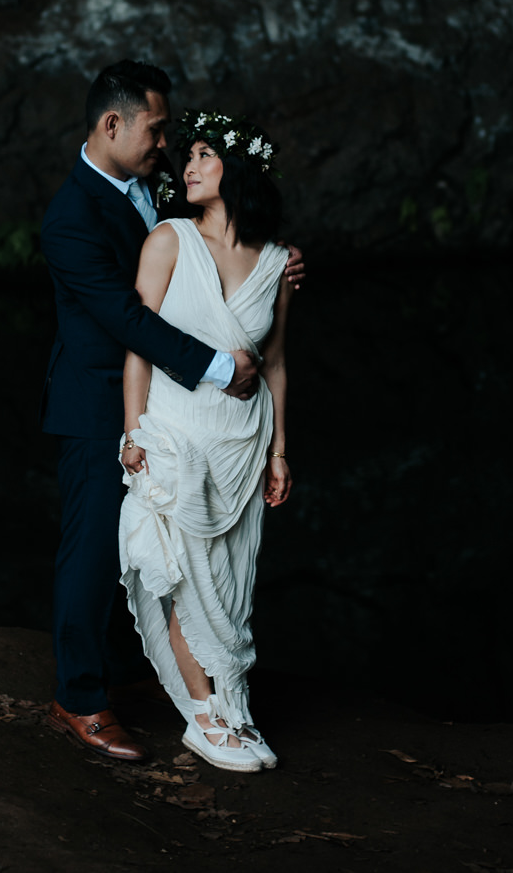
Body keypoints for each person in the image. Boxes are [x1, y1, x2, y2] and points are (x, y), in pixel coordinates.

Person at [39, 61, 302, 762]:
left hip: (178, 409)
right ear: (112, 124)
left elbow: (210, 251)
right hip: (102, 402)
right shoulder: (70, 217)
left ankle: (154, 672)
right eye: (157, 131)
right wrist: (222, 368)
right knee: (95, 553)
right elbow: (127, 316)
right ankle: (80, 698)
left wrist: (273, 262)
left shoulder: (152, 188)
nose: (169, 147)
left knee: (171, 552)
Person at [117, 109, 291, 771]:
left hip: (242, 445)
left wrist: (279, 451)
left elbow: (274, 362)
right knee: (187, 579)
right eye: (185, 155)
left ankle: (236, 711)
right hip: (172, 437)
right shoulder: (166, 240)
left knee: (233, 588)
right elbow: (137, 343)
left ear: (237, 169)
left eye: (203, 155)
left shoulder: (277, 261)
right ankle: (206, 717)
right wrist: (131, 432)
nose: (186, 167)